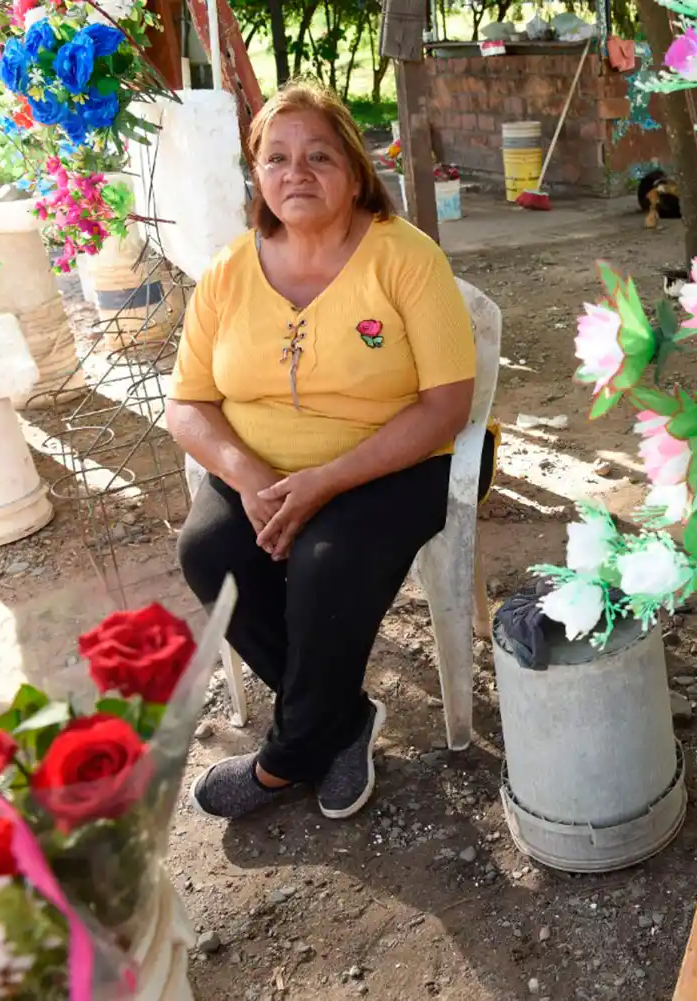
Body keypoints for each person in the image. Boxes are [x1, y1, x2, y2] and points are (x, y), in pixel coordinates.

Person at [169, 81, 492, 822]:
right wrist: (250, 479)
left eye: (319, 155)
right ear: (257, 174)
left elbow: (447, 404)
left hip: (399, 459)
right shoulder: (228, 270)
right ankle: (341, 720)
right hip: (264, 467)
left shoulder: (404, 257)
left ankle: (286, 760)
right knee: (211, 555)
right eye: (276, 158)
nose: (297, 173)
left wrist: (326, 481)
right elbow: (186, 404)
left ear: (355, 170)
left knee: (325, 563)